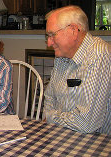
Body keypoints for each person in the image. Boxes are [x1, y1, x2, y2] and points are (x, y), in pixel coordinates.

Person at [44, 5, 110, 135]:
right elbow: (49, 97)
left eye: (52, 35)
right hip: (62, 135)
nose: (49, 43)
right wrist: (53, 117)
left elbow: (87, 123)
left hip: (94, 142)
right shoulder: (62, 56)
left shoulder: (99, 54)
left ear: (73, 30)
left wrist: (51, 117)